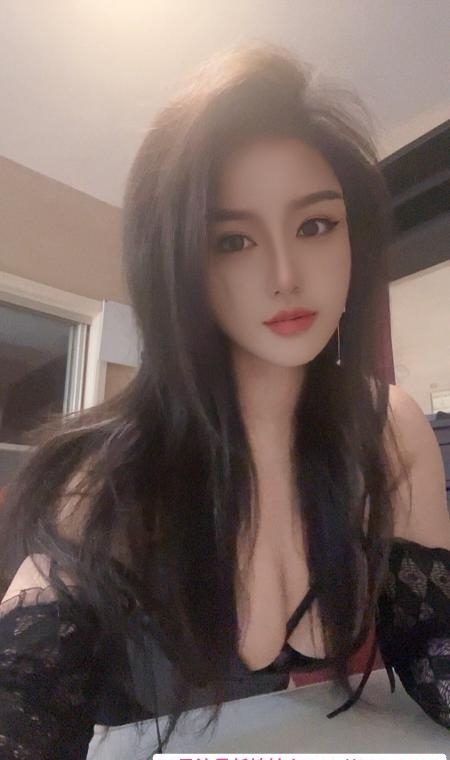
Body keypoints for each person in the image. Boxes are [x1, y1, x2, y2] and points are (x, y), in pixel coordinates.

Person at [0, 42, 449, 760]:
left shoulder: (390, 430)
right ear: (177, 264)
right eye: (233, 240)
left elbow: (433, 650)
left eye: (314, 226)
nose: (285, 274)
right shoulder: (100, 476)